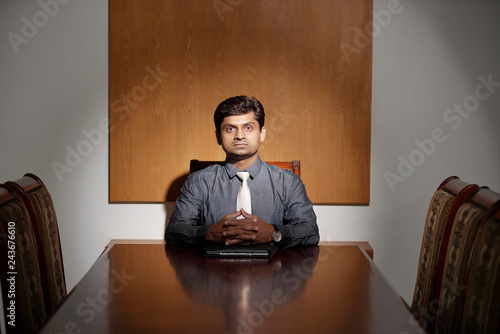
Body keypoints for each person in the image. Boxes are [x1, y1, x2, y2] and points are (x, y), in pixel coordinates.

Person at [165, 96, 319, 248]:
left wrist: (274, 233)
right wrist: (207, 233)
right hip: (213, 269)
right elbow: (174, 231)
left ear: (262, 133)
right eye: (230, 129)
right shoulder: (198, 181)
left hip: (272, 269)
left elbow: (310, 232)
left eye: (248, 127)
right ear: (218, 136)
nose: (239, 136)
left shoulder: (288, 181)